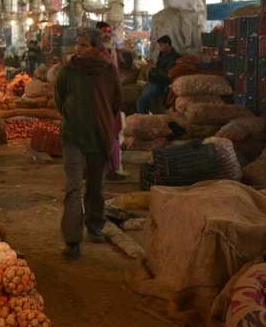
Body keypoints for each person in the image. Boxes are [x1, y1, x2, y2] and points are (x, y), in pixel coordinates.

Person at [54, 27, 121, 260]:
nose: (79, 50)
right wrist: (75, 117)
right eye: (77, 45)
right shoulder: (67, 71)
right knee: (73, 186)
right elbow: (59, 100)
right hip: (72, 135)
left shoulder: (107, 71)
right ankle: (72, 241)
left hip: (98, 136)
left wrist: (103, 122)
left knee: (95, 187)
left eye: (84, 45)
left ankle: (94, 226)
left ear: (95, 48)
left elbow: (115, 102)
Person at [95, 22, 125, 181]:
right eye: (103, 32)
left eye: (109, 31)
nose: (107, 34)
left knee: (111, 133)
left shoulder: (111, 51)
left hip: (110, 99)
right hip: (101, 100)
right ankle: (105, 169)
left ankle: (111, 168)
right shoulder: (97, 54)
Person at [136, 35, 180, 115]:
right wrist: (151, 66)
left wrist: (155, 67)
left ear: (167, 44)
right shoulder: (162, 54)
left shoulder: (174, 57)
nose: (160, 48)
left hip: (159, 84)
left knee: (141, 101)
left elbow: (167, 74)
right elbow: (157, 69)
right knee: (143, 101)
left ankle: (141, 123)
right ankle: (145, 120)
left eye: (161, 45)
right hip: (152, 81)